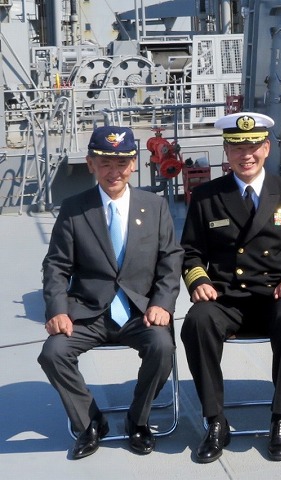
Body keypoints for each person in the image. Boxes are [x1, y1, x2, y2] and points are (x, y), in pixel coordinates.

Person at [38, 126, 184, 459]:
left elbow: (171, 259)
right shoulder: (74, 209)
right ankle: (91, 423)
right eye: (105, 163)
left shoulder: (155, 206)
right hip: (89, 312)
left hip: (139, 311)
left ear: (133, 164)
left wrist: (162, 303)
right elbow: (56, 266)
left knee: (162, 347)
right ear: (91, 164)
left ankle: (138, 419)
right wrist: (57, 310)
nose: (113, 171)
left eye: (121, 163)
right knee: (53, 353)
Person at [180, 112, 281, 463]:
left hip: (275, 295)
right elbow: (191, 252)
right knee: (196, 322)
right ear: (226, 151)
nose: (247, 155)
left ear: (266, 148)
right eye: (237, 147)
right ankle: (215, 421)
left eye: (253, 146)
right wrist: (199, 281)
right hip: (226, 297)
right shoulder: (207, 196)